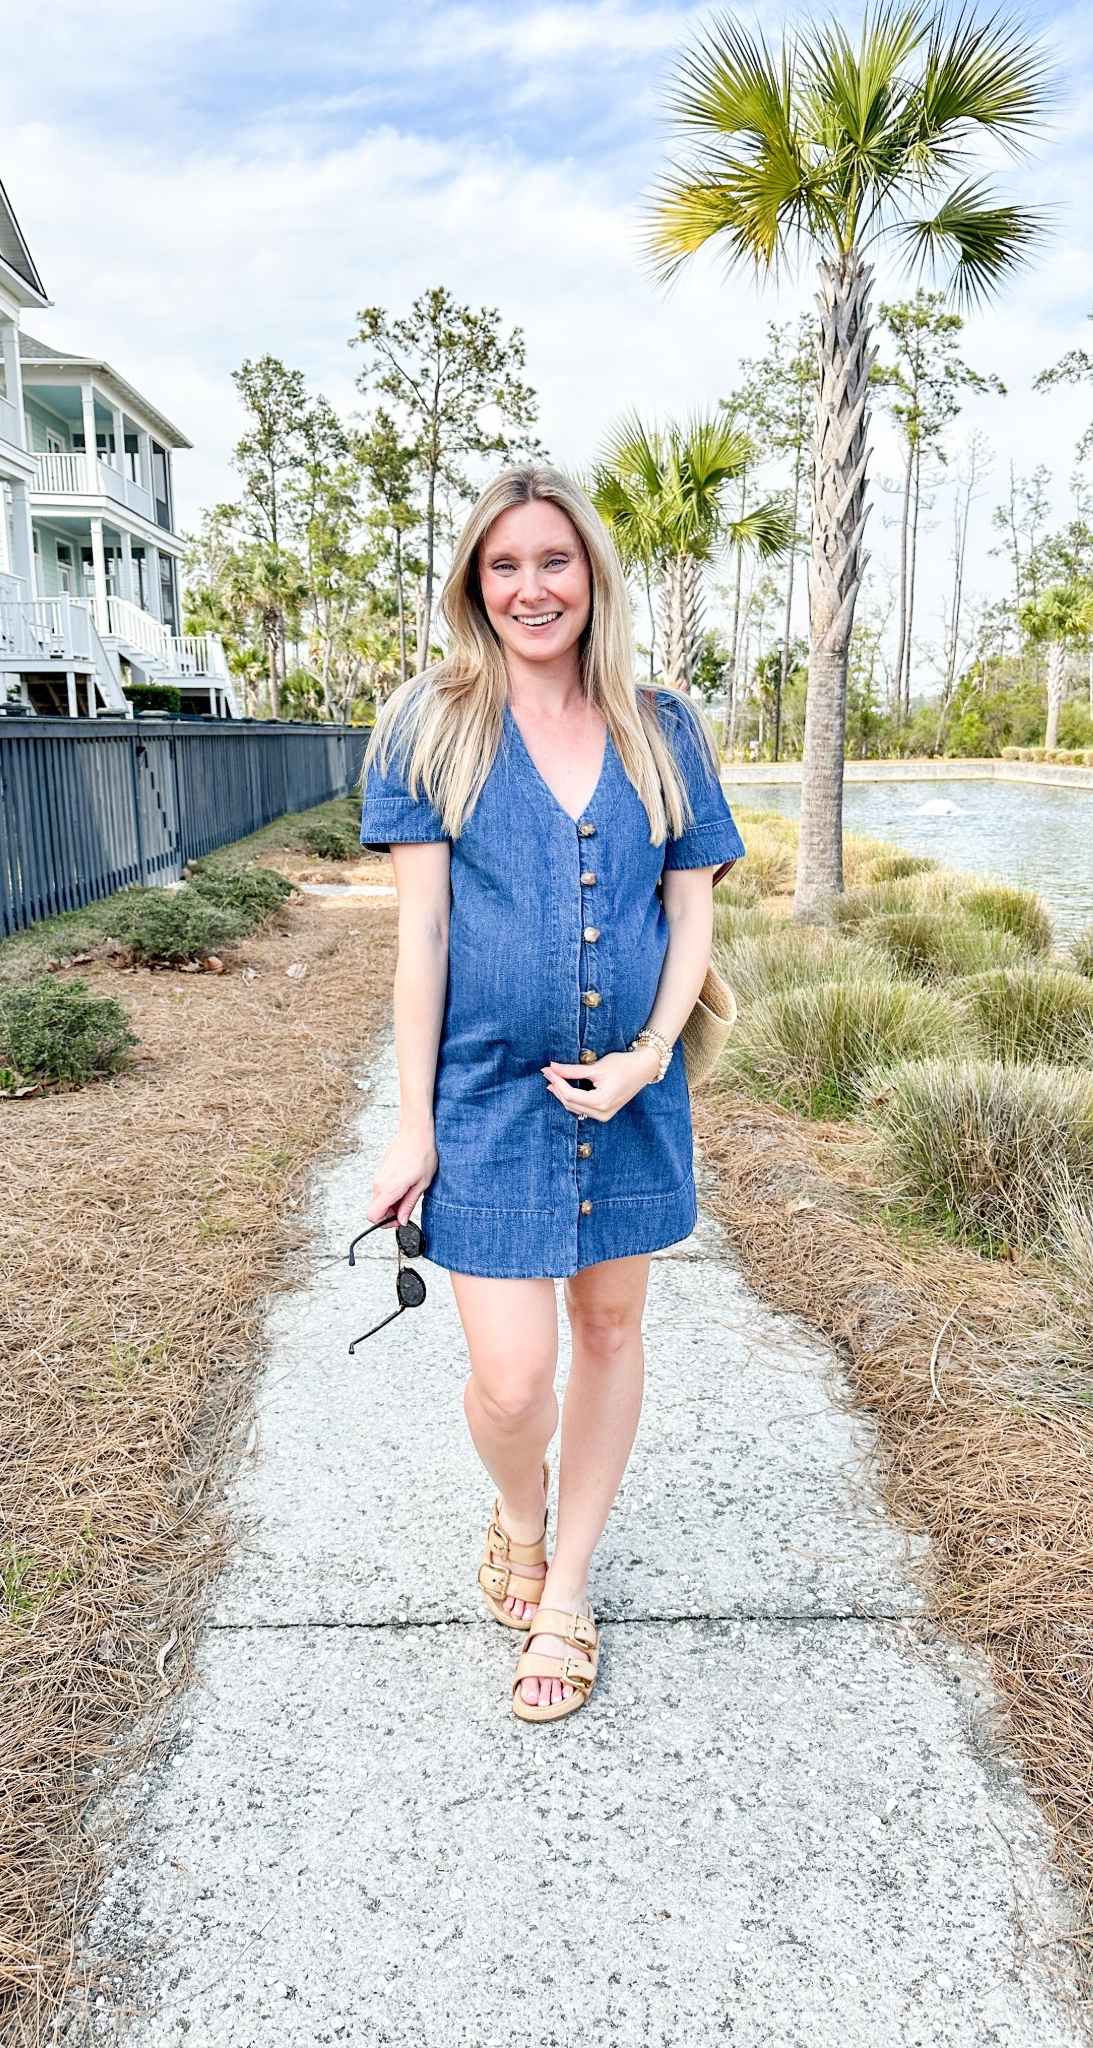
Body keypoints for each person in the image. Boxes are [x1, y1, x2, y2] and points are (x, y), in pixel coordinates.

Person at [359, 464, 743, 1723]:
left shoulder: (663, 726)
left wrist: (650, 1054)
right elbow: (422, 937)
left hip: (630, 1091)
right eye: (506, 564)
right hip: (489, 1098)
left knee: (612, 1332)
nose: (533, 587)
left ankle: (566, 1588)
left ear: (592, 576)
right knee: (516, 1380)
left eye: (555, 560)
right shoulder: (431, 727)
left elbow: (690, 912)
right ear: (477, 583)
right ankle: (518, 1512)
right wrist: (413, 1124)